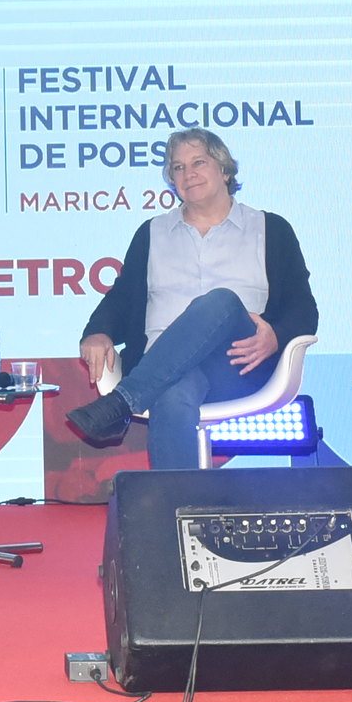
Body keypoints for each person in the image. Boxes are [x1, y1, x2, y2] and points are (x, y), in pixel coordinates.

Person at [66, 128, 318, 470]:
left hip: (239, 365)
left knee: (222, 301)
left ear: (225, 170)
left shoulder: (270, 228)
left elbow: (304, 308)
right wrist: (97, 332)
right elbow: (123, 299)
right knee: (174, 392)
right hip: (161, 365)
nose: (188, 173)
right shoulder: (152, 232)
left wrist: (276, 335)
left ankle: (122, 402)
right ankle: (177, 500)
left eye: (199, 162)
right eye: (178, 167)